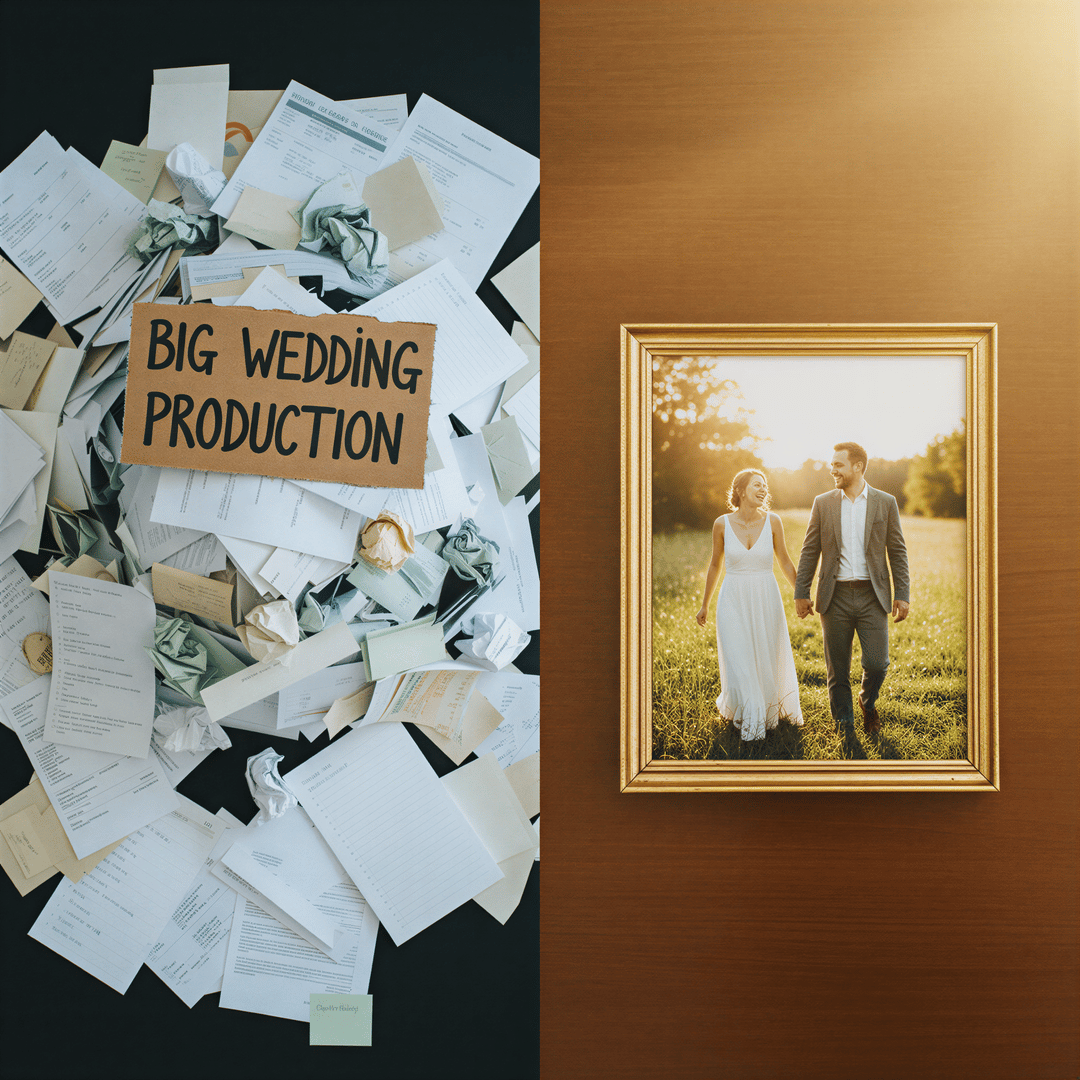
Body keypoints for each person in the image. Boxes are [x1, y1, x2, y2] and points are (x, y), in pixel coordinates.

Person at [794, 442, 910, 737]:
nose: (832, 470)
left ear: (857, 467)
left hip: (874, 596)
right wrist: (801, 592)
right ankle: (844, 724)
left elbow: (897, 551)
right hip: (835, 596)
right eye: (832, 465)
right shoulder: (823, 503)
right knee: (838, 670)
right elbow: (810, 550)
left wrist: (902, 594)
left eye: (838, 465)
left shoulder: (885, 502)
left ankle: (867, 701)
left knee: (877, 664)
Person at [695, 469, 803, 742]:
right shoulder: (721, 523)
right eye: (757, 484)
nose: (763, 489)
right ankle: (753, 716)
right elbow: (715, 564)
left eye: (765, 485)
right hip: (732, 598)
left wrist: (801, 593)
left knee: (765, 656)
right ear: (741, 490)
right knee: (739, 656)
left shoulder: (773, 521)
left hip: (766, 596)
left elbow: (786, 562)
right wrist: (704, 604)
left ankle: (766, 709)